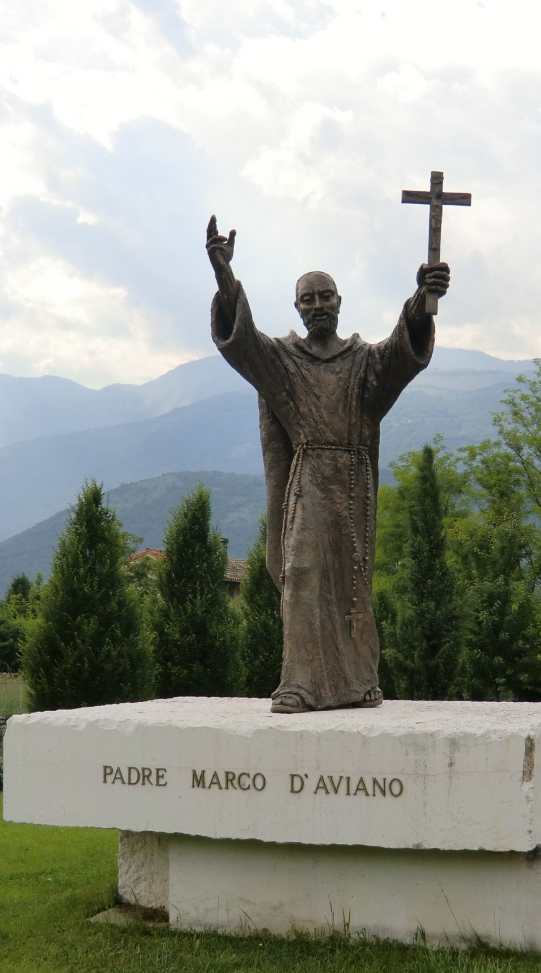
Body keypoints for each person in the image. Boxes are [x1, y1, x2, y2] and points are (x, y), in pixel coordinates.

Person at [206, 215, 450, 713]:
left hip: (353, 482)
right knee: (299, 571)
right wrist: (225, 278)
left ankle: (357, 681)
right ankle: (298, 684)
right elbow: (244, 343)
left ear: (340, 302)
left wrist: (422, 303)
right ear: (297, 307)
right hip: (308, 480)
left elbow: (402, 352)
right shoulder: (283, 360)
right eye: (308, 298)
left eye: (326, 296)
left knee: (352, 585)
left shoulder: (364, 361)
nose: (318, 305)